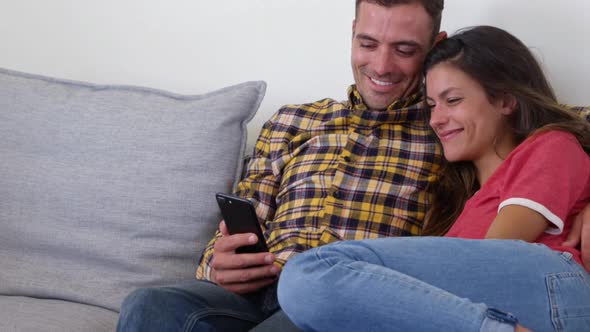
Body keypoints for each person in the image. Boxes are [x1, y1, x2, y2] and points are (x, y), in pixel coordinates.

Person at [116, 1, 590, 331]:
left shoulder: (451, 132)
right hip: (257, 291)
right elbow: (243, 215)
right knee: (151, 305)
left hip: (353, 294)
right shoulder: (294, 122)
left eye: (404, 49)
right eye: (368, 43)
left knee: (314, 301)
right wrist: (217, 265)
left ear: (435, 45)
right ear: (351, 35)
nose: (381, 65)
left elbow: (549, 128)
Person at [277, 25, 590, 332]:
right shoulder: (463, 206)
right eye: (431, 106)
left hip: (552, 290)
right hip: (507, 309)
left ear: (506, 101)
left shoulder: (552, 144)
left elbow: (493, 256)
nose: (437, 119)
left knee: (312, 273)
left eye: (452, 100)